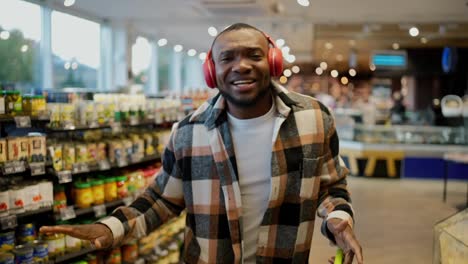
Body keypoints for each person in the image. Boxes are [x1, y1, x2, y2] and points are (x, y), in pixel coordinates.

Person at [41, 23, 363, 264]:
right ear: (212, 70)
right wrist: (110, 228)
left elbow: (331, 185)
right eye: (227, 58)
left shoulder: (315, 119)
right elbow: (161, 201)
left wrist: (339, 219)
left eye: (254, 55)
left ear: (273, 63)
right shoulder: (189, 132)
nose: (241, 66)